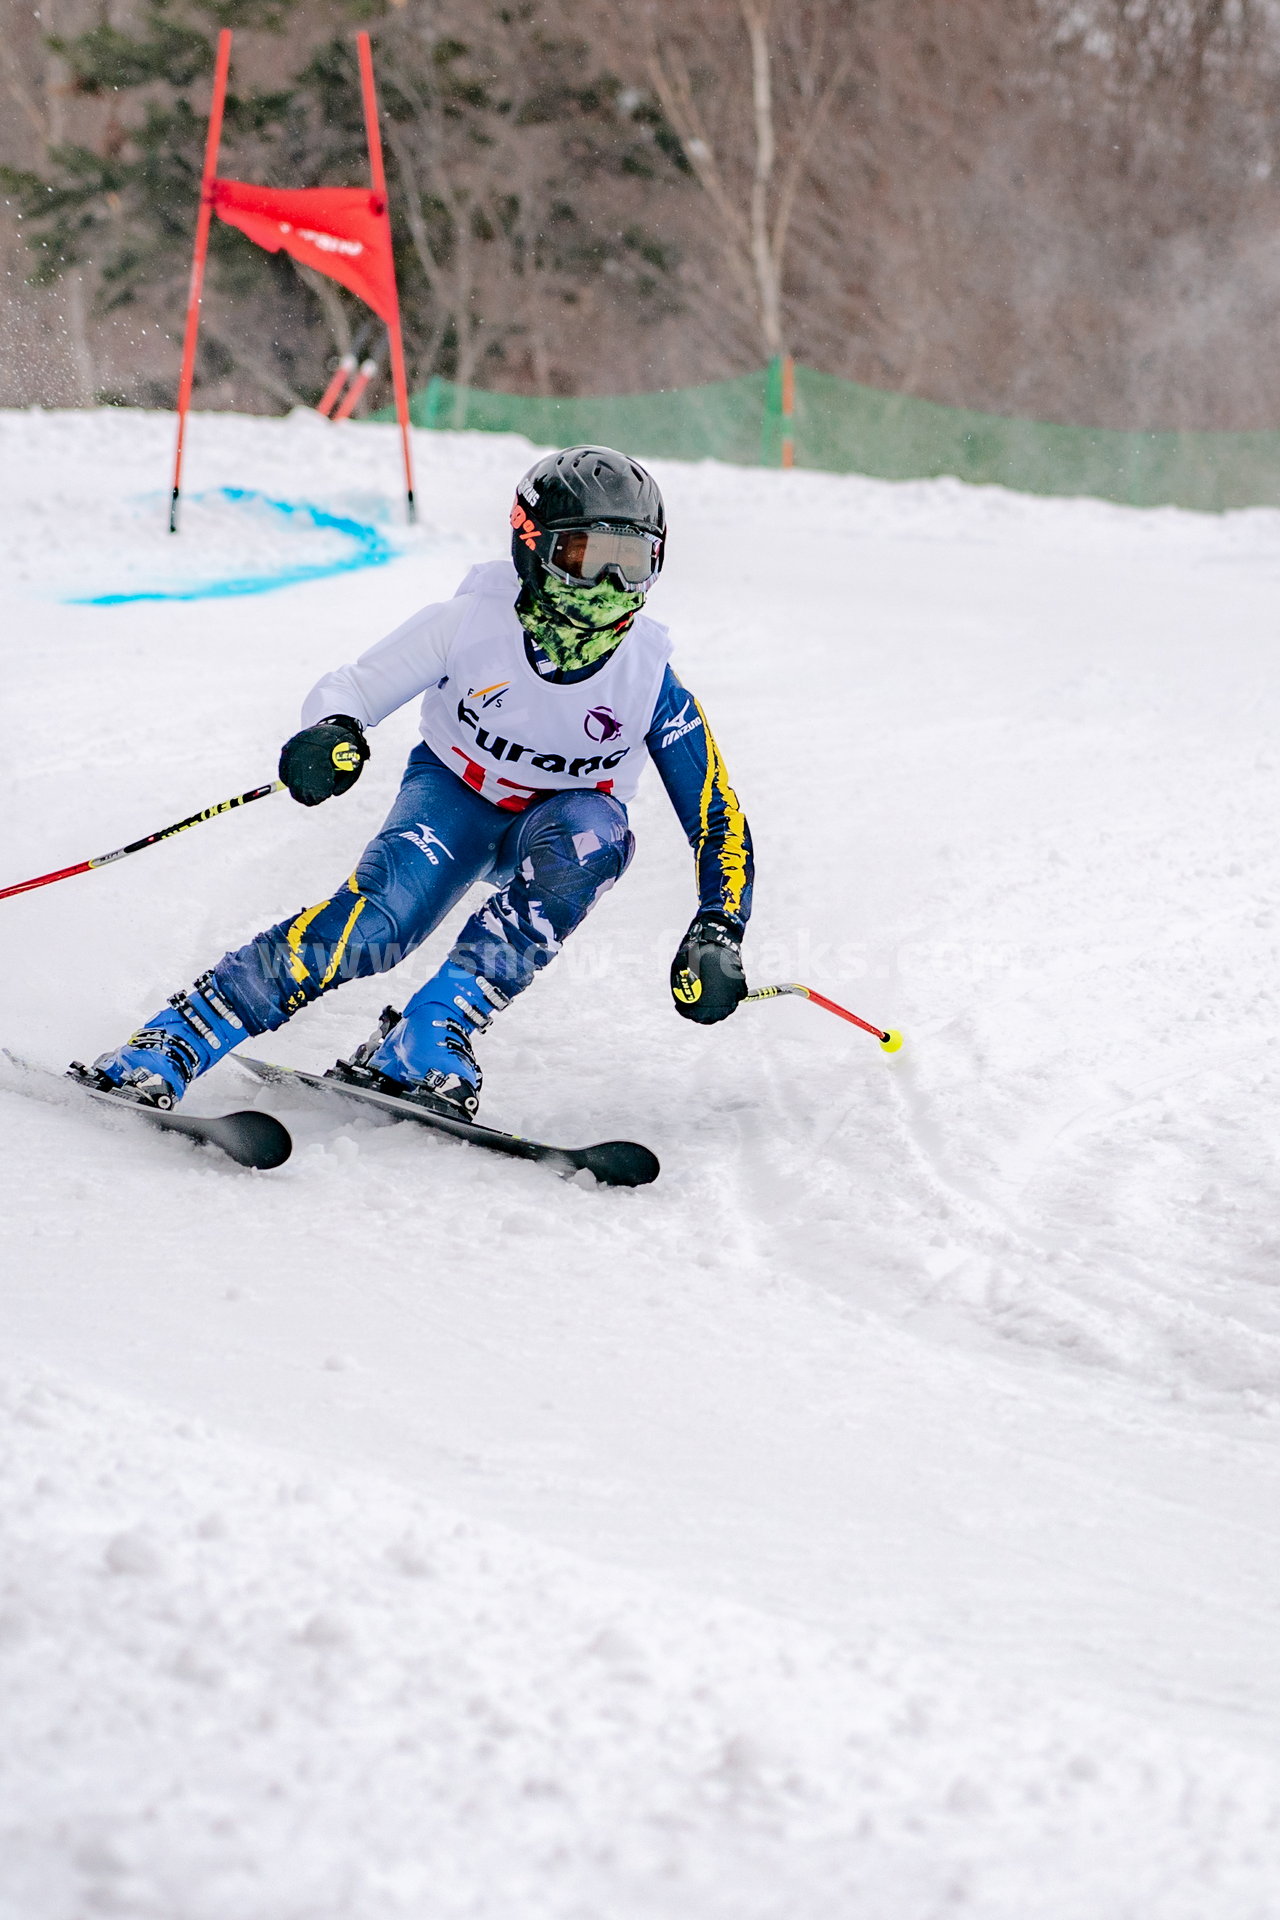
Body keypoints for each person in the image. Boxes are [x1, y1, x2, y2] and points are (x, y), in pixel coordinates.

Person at [80, 445, 754, 1120]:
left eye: (631, 562)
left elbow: (716, 817)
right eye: (583, 556)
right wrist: (333, 731)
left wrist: (718, 928)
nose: (609, 583)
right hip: (454, 798)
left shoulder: (647, 677)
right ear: (532, 548)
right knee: (376, 928)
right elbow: (352, 687)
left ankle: (428, 1034)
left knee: (595, 839)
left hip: (552, 829)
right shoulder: (468, 625)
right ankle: (176, 1038)